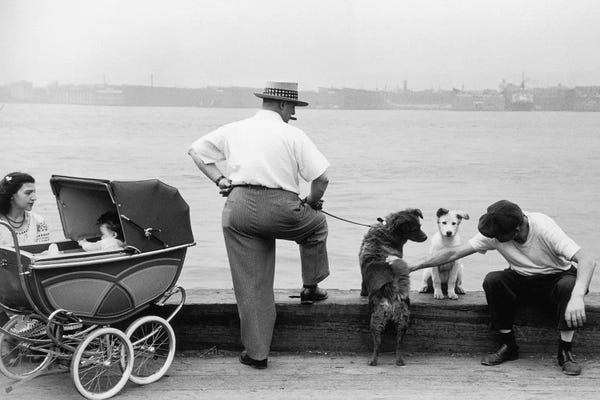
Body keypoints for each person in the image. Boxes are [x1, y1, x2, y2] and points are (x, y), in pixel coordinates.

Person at [188, 81, 330, 369]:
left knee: (252, 284)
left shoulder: (234, 129)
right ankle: (310, 286)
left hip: (238, 208)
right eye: (292, 108)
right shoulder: (293, 134)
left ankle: (257, 354)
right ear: (281, 105)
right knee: (316, 227)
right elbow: (322, 178)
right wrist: (313, 203)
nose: (292, 114)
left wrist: (220, 179)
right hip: (283, 208)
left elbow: (195, 151)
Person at [397, 200, 596, 375]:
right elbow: (453, 254)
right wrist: (415, 265)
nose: (494, 239)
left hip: (556, 278)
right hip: (522, 278)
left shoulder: (543, 227)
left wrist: (578, 296)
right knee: (493, 280)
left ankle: (565, 352)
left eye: (499, 236)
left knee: (569, 286)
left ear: (516, 230)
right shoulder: (496, 230)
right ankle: (508, 345)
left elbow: (586, 260)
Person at [0, 172, 50, 326]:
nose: (34, 197)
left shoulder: (38, 222)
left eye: (34, 192)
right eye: (28, 193)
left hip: (29, 286)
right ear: (11, 195)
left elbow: (43, 255)